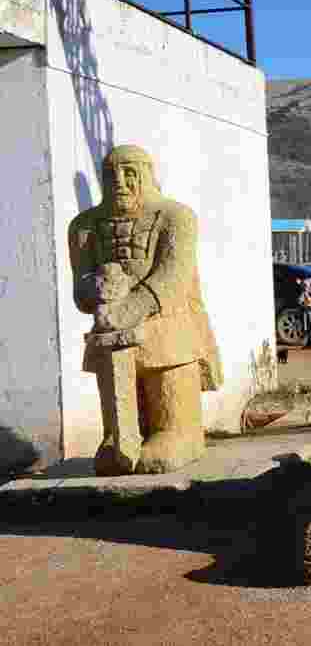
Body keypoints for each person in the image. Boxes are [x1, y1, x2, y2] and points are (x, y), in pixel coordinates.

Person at [68, 144, 222, 475]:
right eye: (111, 175)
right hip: (112, 332)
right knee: (116, 405)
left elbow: (173, 276)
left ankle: (179, 434)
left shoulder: (175, 217)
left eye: (130, 173)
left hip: (165, 324)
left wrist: (132, 306)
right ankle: (119, 437)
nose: (120, 182)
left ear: (148, 176)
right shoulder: (84, 226)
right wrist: (96, 289)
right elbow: (80, 287)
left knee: (168, 388)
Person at [297, 277, 311, 349]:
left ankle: (309, 343)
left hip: (307, 311)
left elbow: (300, 302)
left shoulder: (307, 292)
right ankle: (309, 343)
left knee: (308, 328)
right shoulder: (310, 292)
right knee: (310, 327)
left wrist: (305, 304)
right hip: (309, 311)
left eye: (304, 285)